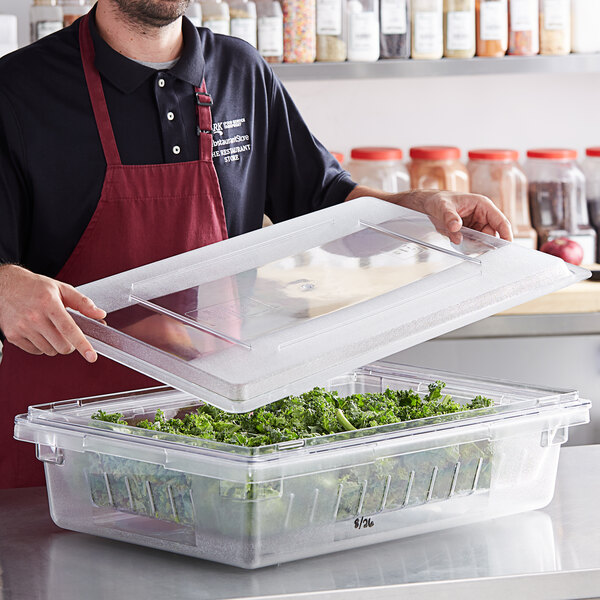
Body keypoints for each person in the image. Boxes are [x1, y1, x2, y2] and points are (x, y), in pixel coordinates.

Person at [0, 0, 512, 489]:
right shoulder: (19, 89)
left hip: (216, 429)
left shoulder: (240, 71)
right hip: (63, 437)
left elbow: (326, 201)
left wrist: (411, 207)